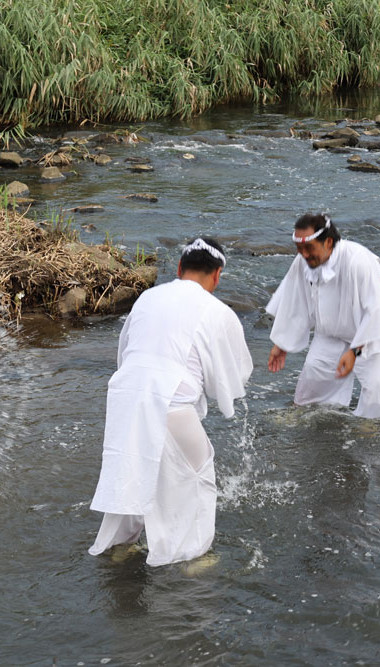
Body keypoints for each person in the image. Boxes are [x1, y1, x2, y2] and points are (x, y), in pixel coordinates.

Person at [89, 237, 253, 566]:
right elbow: (235, 378)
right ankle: (190, 559)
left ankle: (121, 547)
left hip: (125, 396)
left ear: (179, 269)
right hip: (170, 402)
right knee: (198, 474)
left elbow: (126, 352)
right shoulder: (217, 311)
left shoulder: (149, 297)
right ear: (217, 275)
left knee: (133, 468)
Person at [265, 213, 380, 419]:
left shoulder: (359, 261)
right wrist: (282, 343)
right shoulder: (305, 259)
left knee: (377, 402)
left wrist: (354, 352)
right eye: (299, 249)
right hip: (332, 328)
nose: (304, 255)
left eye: (309, 248)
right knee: (310, 393)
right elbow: (295, 300)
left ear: (328, 242)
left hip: (374, 330)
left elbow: (376, 313)